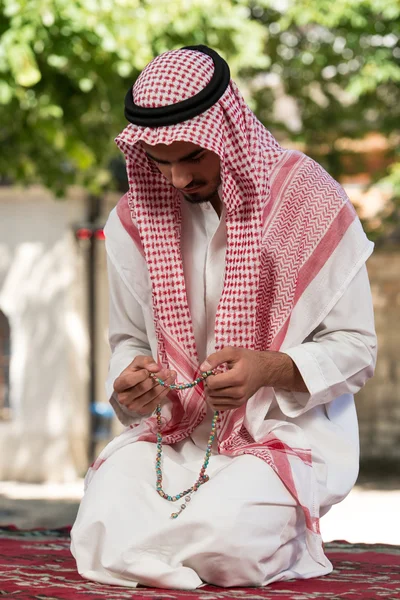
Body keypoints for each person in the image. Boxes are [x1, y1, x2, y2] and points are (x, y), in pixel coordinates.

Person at [70, 45, 377, 589]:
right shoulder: (134, 218)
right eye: (160, 163)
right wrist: (135, 379)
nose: (178, 180)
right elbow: (128, 338)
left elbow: (356, 348)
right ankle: (164, 546)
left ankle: (183, 547)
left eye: (192, 157)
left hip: (281, 435)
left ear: (226, 133)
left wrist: (268, 368)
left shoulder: (307, 199)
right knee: (99, 519)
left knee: (226, 540)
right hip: (178, 434)